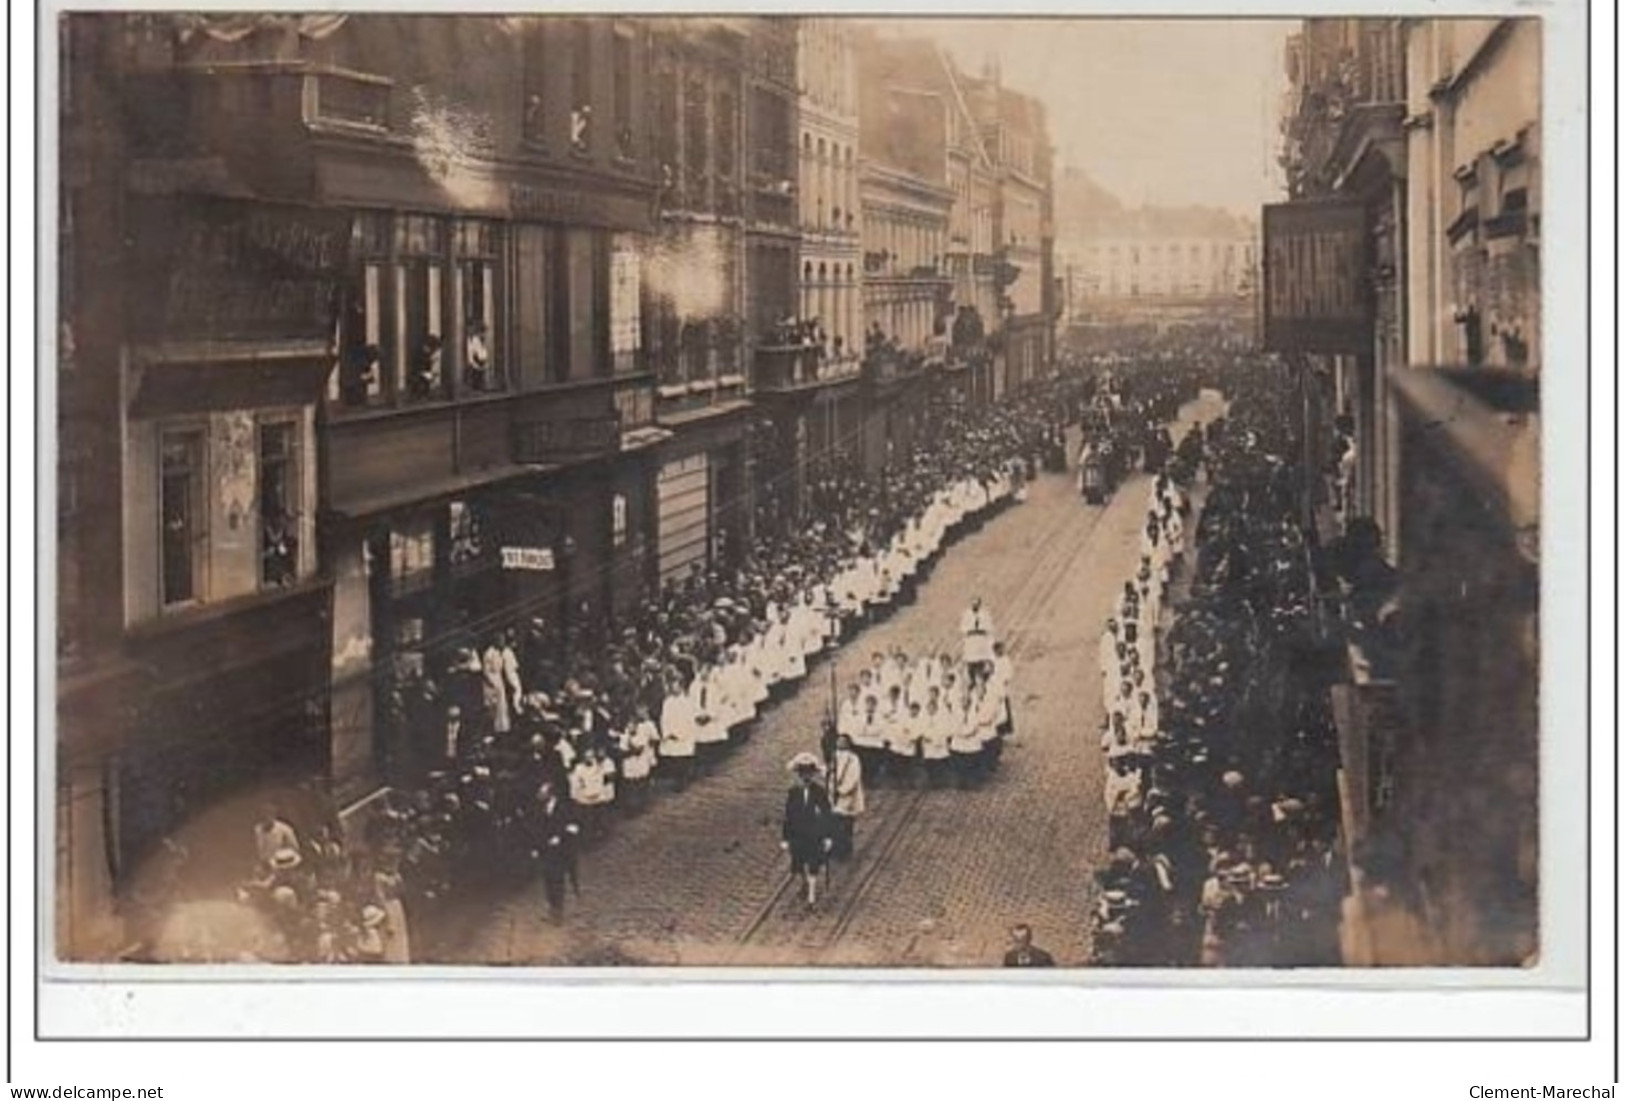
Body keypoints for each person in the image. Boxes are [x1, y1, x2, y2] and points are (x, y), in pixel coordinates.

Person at [781, 753, 834, 909]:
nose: (806, 776)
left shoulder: (819, 792)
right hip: (798, 834)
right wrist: (785, 838)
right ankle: (804, 882)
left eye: (809, 773)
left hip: (814, 834)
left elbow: (827, 814)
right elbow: (788, 816)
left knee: (813, 862)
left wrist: (828, 836)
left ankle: (811, 896)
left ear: (813, 774)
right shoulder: (793, 792)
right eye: (803, 773)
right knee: (798, 861)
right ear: (799, 774)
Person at [528, 779, 581, 924]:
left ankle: (558, 912)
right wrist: (535, 848)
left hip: (560, 851)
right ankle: (552, 909)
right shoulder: (539, 808)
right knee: (548, 880)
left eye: (542, 792)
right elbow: (535, 829)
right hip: (545, 850)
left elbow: (573, 828)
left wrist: (560, 837)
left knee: (558, 880)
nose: (539, 795)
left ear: (551, 794)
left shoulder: (565, 807)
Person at [828, 732, 864, 861]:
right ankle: (834, 848)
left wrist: (843, 790)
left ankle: (844, 850)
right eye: (838, 741)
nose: (840, 743)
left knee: (845, 824)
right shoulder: (834, 756)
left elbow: (854, 777)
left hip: (847, 796)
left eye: (843, 741)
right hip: (834, 795)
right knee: (833, 823)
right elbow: (830, 773)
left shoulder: (853, 759)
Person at [960, 597, 995, 683]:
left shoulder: (985, 614)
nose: (975, 605)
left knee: (981, 660)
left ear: (979, 604)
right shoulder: (967, 614)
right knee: (970, 659)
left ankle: (981, 676)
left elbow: (989, 626)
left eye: (977, 604)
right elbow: (962, 627)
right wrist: (971, 628)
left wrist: (980, 627)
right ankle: (971, 676)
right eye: (973, 604)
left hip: (981, 639)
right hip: (971, 638)